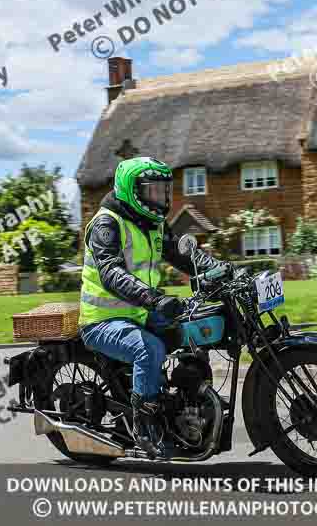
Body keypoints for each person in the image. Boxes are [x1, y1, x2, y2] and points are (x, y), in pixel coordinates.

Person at [78, 156, 228, 458]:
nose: (160, 198)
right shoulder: (107, 224)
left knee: (194, 329)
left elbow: (187, 258)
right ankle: (145, 425)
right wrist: (156, 299)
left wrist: (225, 271)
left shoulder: (153, 224)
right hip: (103, 320)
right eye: (153, 191)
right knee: (149, 350)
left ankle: (192, 403)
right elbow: (111, 273)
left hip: (140, 312)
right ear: (131, 190)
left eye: (164, 191)